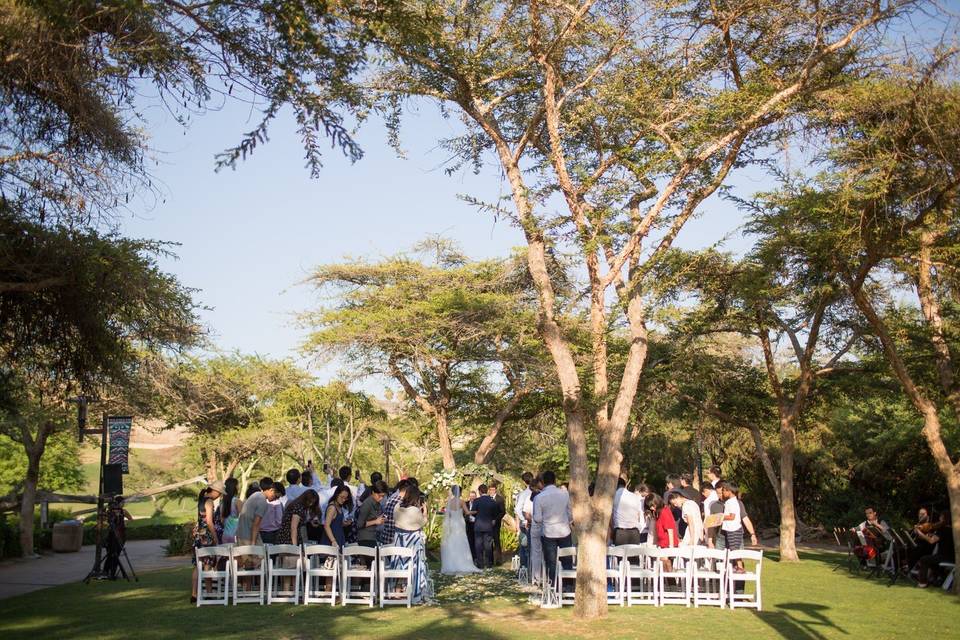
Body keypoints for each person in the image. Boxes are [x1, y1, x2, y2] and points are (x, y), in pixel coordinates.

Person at [390, 486, 432, 603]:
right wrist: (425, 513)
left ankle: (397, 591)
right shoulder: (414, 510)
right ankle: (415, 591)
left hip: (399, 540)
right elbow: (422, 523)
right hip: (412, 540)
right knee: (415, 565)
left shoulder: (397, 507)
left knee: (400, 564)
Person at [533, 471, 572, 586]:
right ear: (555, 481)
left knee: (551, 561)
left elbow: (537, 518)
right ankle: (567, 585)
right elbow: (570, 513)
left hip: (549, 532)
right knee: (567, 559)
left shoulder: (539, 497)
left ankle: (553, 585)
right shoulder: (565, 494)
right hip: (564, 530)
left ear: (543, 482)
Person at [190, 480, 224, 603]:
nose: (219, 495)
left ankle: (194, 593)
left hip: (199, 535)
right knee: (207, 564)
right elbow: (209, 521)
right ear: (214, 491)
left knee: (197, 566)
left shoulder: (201, 499)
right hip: (207, 537)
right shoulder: (209, 502)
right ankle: (209, 592)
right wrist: (215, 537)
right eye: (219, 493)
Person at [441, 485, 480, 574]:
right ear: (460, 492)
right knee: (461, 541)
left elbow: (448, 515)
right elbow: (467, 512)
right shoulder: (461, 502)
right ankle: (463, 562)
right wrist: (477, 511)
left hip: (452, 524)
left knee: (453, 541)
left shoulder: (449, 502)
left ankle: (452, 563)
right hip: (460, 524)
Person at [915, 515, 955, 588]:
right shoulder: (953, 530)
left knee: (924, 559)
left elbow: (931, 541)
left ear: (943, 519)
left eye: (940, 518)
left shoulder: (942, 529)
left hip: (943, 556)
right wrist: (932, 534)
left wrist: (921, 533)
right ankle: (940, 578)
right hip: (952, 557)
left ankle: (922, 583)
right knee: (932, 562)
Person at [236, 476, 276, 546]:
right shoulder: (262, 501)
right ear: (271, 490)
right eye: (276, 495)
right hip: (248, 537)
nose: (275, 498)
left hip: (241, 534)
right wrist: (253, 543)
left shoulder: (256, 495)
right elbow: (256, 524)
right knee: (259, 556)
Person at [378, 478, 416, 547]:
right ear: (407, 490)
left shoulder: (390, 499)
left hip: (385, 538)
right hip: (395, 541)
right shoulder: (402, 503)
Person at [472, 483, 499, 569]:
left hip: (478, 525)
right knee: (488, 546)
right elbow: (496, 513)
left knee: (478, 545)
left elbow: (473, 512)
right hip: (488, 525)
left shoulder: (476, 501)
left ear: (479, 491)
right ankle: (489, 563)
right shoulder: (492, 501)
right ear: (487, 491)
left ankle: (480, 564)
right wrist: (493, 519)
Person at [611, 477, 644, 546]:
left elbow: (611, 516)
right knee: (634, 555)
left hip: (620, 532)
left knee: (620, 555)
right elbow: (638, 515)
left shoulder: (613, 497)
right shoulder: (634, 496)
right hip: (634, 532)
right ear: (625, 485)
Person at [356, 480, 389, 550]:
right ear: (373, 492)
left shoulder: (376, 502)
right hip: (365, 539)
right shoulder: (367, 504)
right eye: (379, 496)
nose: (381, 498)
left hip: (373, 536)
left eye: (383, 496)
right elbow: (359, 524)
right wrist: (375, 521)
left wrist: (381, 519)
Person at [514, 472, 534, 573]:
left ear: (523, 481)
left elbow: (517, 509)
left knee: (525, 547)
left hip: (526, 523)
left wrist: (523, 519)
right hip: (528, 523)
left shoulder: (523, 494)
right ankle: (526, 569)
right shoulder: (525, 494)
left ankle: (525, 569)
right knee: (526, 546)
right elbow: (518, 509)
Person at [717, 481, 743, 555]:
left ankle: (739, 566)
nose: (723, 493)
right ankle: (736, 565)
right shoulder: (730, 501)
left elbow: (732, 517)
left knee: (735, 551)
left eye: (724, 491)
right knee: (732, 549)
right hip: (730, 529)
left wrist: (721, 517)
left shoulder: (732, 502)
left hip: (734, 529)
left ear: (730, 491)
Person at [220, 477, 242, 544]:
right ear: (234, 487)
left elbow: (222, 520)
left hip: (225, 535)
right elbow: (243, 518)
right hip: (236, 535)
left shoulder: (222, 502)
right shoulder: (237, 501)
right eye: (237, 485)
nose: (238, 487)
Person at [489, 481, 506, 564]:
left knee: (496, 541)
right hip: (487, 523)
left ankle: (498, 560)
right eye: (490, 490)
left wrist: (496, 520)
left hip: (496, 523)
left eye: (493, 490)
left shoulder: (500, 499)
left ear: (495, 490)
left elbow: (503, 512)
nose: (491, 491)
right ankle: (490, 560)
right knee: (489, 541)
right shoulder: (487, 498)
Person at [466, 490, 478, 562]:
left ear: (475, 497)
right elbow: (464, 513)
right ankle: (469, 556)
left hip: (476, 524)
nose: (472, 498)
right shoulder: (465, 503)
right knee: (469, 541)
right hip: (468, 524)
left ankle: (475, 557)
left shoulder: (478, 503)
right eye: (471, 496)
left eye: (473, 496)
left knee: (476, 541)